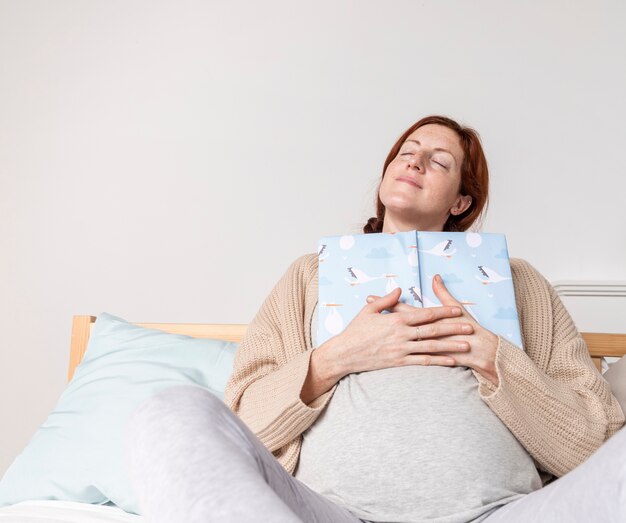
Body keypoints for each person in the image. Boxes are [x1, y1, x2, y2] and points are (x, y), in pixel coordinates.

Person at [127, 115, 625, 523]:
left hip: (500, 513)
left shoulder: (520, 282)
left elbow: (595, 444)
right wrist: (336, 358)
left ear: (461, 202)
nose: (415, 160)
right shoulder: (309, 275)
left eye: (439, 160)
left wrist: (494, 358)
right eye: (407, 150)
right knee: (170, 413)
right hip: (330, 514)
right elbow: (243, 422)